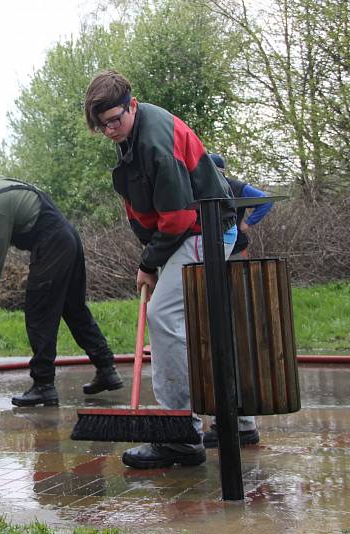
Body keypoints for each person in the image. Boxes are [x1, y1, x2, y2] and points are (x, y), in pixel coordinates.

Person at [83, 70, 236, 469]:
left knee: (163, 313)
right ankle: (236, 423)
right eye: (102, 126)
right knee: (194, 323)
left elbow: (179, 217)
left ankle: (180, 437)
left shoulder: (155, 142)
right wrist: (153, 257)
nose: (110, 130)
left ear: (132, 105)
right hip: (194, 229)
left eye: (115, 119)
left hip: (207, 227)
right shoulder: (132, 136)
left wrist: (149, 263)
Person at [0, 176, 123, 408]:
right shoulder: (4, 186)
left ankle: (43, 385)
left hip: (51, 245)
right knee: (74, 310)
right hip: (69, 239)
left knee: (39, 313)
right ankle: (106, 369)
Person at [202, 153, 272, 449]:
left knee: (229, 334)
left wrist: (247, 225)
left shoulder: (217, 188)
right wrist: (247, 224)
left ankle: (239, 422)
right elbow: (265, 199)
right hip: (228, 259)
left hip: (229, 260)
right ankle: (238, 421)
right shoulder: (233, 186)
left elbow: (265, 199)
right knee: (232, 332)